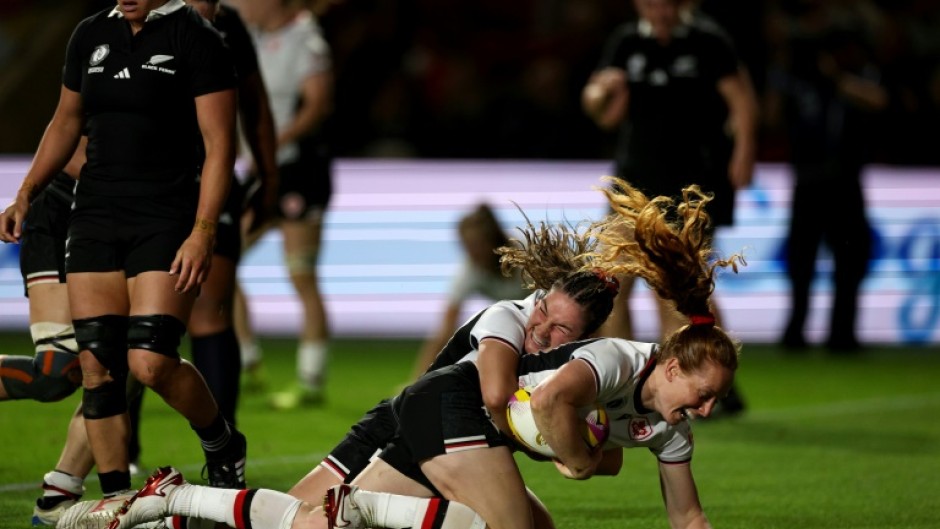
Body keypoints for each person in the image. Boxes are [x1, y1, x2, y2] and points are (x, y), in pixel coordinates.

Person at [103, 178, 745, 529]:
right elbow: (506, 400)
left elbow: (679, 512)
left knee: (302, 526)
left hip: (443, 422)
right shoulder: (524, 325)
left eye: (560, 333)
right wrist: (576, 451)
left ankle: (173, 505)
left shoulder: (641, 403)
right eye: (548, 318)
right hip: (435, 413)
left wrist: (582, 447)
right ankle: (339, 508)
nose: (547, 336)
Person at [21, 1, 281, 525]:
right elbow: (65, 120)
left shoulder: (198, 39)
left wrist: (203, 231)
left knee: (150, 362)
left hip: (167, 217)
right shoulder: (90, 34)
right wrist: (25, 192)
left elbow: (219, 144)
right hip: (94, 217)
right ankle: (118, 500)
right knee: (98, 368)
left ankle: (223, 443)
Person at [581, 0, 756, 415]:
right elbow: (601, 112)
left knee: (679, 295)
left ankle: (702, 384)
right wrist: (600, 92)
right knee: (610, 287)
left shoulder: (707, 41)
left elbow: (742, 100)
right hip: (631, 191)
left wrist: (744, 152)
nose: (657, 8)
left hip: (688, 191)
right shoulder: (626, 42)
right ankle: (621, 384)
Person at [225, 0, 336, 409]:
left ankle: (311, 378)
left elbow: (317, 104)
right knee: (220, 257)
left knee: (301, 275)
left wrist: (274, 144)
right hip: (260, 170)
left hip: (298, 172)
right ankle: (247, 360)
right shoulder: (251, 36)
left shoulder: (307, 39)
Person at [765, 3, 886, 352]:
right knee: (801, 262)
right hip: (808, 181)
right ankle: (795, 332)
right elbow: (771, 118)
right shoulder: (799, 81)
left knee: (849, 262)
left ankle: (842, 334)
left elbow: (879, 102)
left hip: (846, 182)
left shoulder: (860, 76)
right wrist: (782, 71)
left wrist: (836, 78)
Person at [407, 203, 529, 382]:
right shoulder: (470, 272)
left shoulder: (527, 253)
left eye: (476, 246)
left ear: (492, 241)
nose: (471, 253)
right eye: (466, 246)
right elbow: (445, 330)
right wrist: (417, 380)